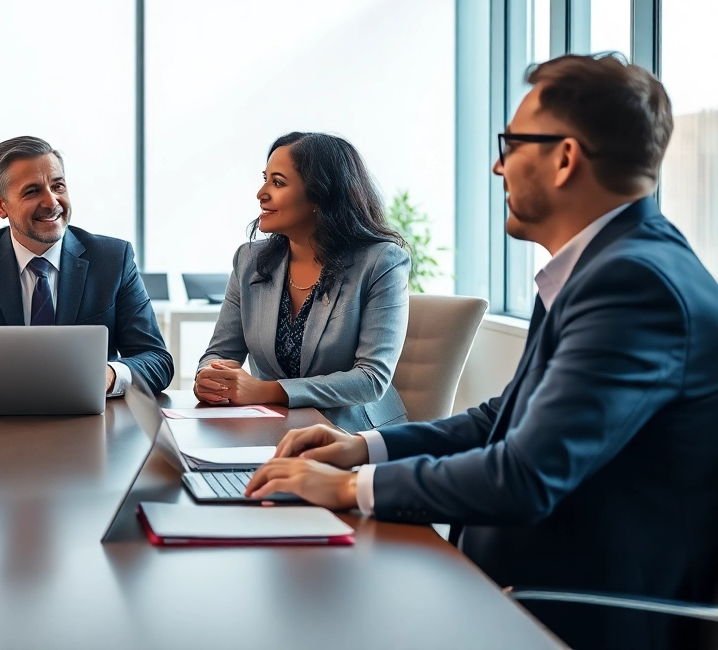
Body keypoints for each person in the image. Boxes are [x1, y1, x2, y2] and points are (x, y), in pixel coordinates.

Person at [246, 54, 718, 650]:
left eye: (513, 144)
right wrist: (363, 446)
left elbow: (525, 475)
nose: (498, 166)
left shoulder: (635, 284)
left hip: (566, 609)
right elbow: (504, 417)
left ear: (565, 158)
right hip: (512, 581)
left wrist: (348, 487)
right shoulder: (599, 266)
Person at [0, 136, 174, 398]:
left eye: (58, 186)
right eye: (32, 191)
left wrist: (110, 375)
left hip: (91, 426)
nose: (52, 202)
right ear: (0, 205)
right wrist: (25, 373)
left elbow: (157, 360)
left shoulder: (112, 259)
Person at [194, 132, 410, 433]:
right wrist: (211, 376)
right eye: (265, 178)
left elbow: (371, 379)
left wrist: (266, 391)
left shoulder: (382, 262)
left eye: (278, 182)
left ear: (319, 197)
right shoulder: (249, 261)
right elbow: (220, 353)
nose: (261, 193)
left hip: (355, 436)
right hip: (273, 430)